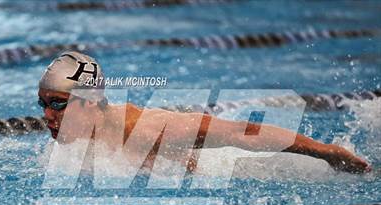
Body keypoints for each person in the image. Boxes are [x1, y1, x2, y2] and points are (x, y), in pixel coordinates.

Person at [38, 51, 371, 174]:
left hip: (232, 171)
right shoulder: (75, 136)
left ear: (92, 100)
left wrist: (326, 153)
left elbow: (240, 132)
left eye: (58, 104)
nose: (48, 116)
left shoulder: (146, 128)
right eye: (44, 104)